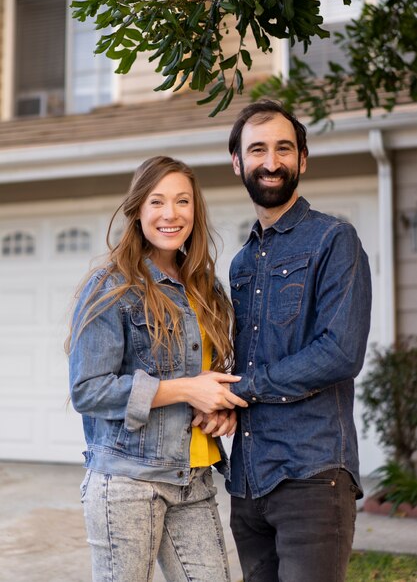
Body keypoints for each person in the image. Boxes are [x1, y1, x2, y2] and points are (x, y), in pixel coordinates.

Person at [68, 155, 248, 582]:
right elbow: (89, 390)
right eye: (157, 201)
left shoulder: (204, 288)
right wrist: (187, 389)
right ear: (137, 211)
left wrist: (218, 407)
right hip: (128, 481)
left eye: (183, 201)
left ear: (195, 211)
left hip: (195, 477)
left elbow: (208, 374)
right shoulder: (112, 286)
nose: (171, 213)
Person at [226, 100, 372, 582]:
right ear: (238, 163)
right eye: (258, 149)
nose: (271, 162)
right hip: (248, 482)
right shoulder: (242, 263)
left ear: (302, 160)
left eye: (284, 149)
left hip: (311, 475)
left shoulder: (334, 239)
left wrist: (242, 388)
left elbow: (340, 351)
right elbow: (243, 357)